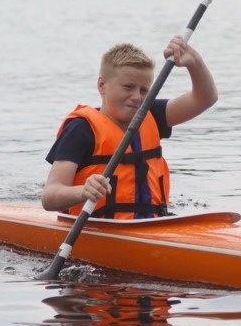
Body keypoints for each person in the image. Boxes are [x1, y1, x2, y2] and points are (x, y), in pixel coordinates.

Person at [41, 36, 217, 218]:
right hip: (97, 227)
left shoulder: (152, 114)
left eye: (144, 90)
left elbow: (205, 99)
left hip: (152, 225)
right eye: (128, 87)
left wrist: (194, 62)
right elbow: (50, 196)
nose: (137, 97)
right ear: (102, 85)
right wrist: (83, 191)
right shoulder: (81, 129)